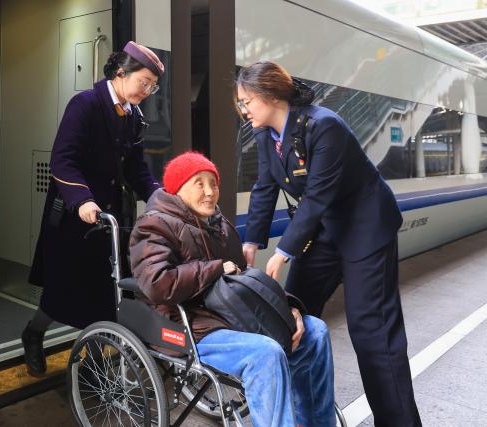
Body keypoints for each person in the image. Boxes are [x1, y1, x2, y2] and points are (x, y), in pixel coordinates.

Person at [237, 61, 421, 426]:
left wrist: (283, 253)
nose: (243, 110)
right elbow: (264, 188)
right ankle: (308, 415)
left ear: (271, 95)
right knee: (291, 321)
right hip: (321, 235)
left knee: (373, 335)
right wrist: (251, 244)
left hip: (364, 231)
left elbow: (318, 195)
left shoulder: (325, 126)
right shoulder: (265, 135)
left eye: (247, 102)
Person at [129, 152, 335, 427]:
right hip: (187, 324)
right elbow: (156, 283)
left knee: (315, 331)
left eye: (213, 184)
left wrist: (289, 308)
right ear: (177, 188)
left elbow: (244, 278)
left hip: (229, 314)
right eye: (199, 183)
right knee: (266, 353)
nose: (210, 192)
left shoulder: (220, 224)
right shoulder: (154, 224)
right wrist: (215, 268)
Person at [23, 41, 164, 377]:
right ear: (121, 73)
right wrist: (83, 199)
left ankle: (95, 361)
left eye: (153, 85)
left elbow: (136, 169)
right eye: (144, 82)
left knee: (104, 293)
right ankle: (33, 333)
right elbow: (63, 159)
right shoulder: (84, 104)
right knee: (62, 292)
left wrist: (159, 197)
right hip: (75, 214)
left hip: (109, 218)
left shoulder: (133, 117)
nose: (148, 90)